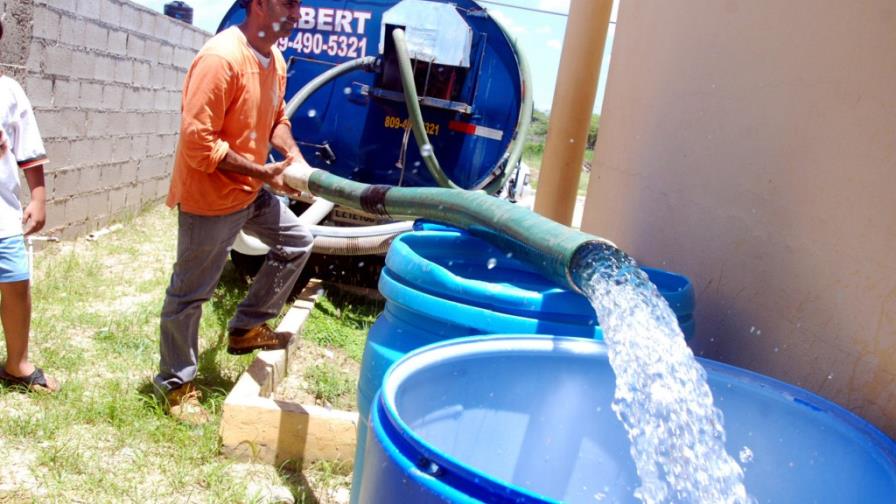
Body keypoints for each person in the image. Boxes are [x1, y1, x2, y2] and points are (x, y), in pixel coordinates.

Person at [155, 0, 312, 424]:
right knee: (190, 294)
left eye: (299, 4)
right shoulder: (222, 58)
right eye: (287, 3)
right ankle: (174, 384)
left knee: (297, 242)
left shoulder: (275, 59)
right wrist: (263, 173)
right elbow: (199, 143)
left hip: (248, 190)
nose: (296, 14)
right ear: (258, 4)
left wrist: (294, 160)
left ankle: (245, 328)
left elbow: (276, 119)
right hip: (210, 197)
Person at [0, 18, 58, 393]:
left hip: (3, 217)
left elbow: (29, 149)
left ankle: (17, 363)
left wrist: (38, 197)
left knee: (17, 283)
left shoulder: (9, 91)